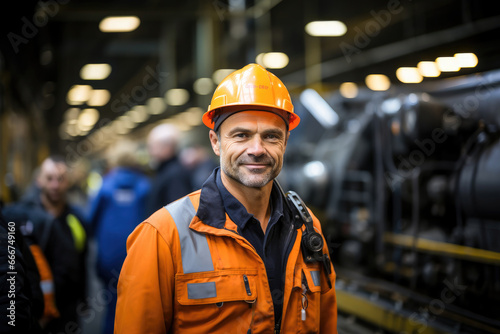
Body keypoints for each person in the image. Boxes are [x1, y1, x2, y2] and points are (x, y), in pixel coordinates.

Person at [114, 64, 338, 333]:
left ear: (285, 143)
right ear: (215, 142)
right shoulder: (163, 235)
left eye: (271, 136)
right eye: (241, 135)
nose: (257, 149)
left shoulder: (307, 229)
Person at [3, 156, 88, 333]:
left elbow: (82, 263)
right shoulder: (19, 216)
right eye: (49, 178)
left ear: (68, 182)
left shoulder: (77, 219)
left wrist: (84, 299)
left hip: (66, 309)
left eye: (61, 179)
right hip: (32, 309)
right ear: (39, 180)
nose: (55, 185)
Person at [87, 140, 151, 334]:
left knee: (112, 302)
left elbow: (90, 219)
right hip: (137, 255)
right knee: (137, 303)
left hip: (109, 257)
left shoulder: (105, 185)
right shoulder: (145, 186)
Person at [145, 123, 193, 215]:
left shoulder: (175, 174)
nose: (150, 151)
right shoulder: (165, 170)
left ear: (167, 147)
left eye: (153, 146)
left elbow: (179, 212)